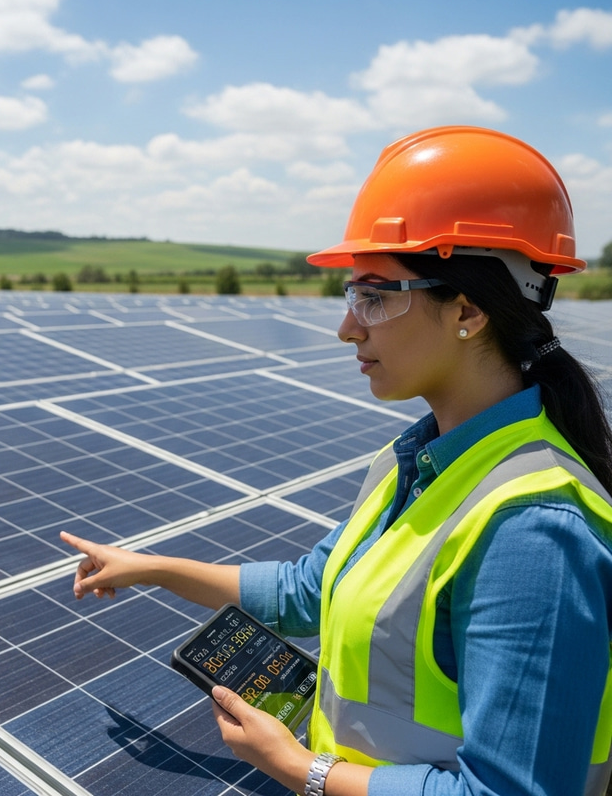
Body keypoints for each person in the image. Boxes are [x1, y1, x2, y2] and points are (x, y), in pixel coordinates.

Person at [61, 125, 612, 796]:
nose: (347, 326)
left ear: (467, 310)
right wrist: (157, 568)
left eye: (374, 295)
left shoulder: (536, 529)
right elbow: (314, 590)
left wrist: (300, 768)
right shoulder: (414, 461)